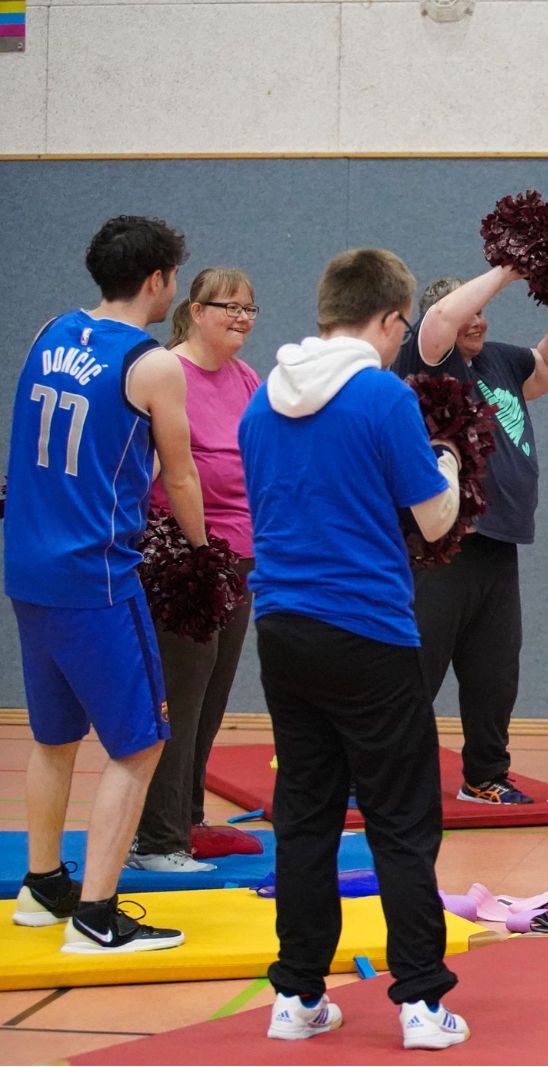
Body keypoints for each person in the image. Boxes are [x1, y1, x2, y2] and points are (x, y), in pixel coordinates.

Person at [239, 248, 469, 1048]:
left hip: (282, 629)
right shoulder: (380, 396)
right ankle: (419, 1002)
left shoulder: (258, 404)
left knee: (305, 813)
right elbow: (435, 518)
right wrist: (449, 463)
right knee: (401, 818)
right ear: (390, 319)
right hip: (367, 630)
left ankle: (297, 997)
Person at [5, 215, 205, 951]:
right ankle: (96, 913)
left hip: (27, 568)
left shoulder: (47, 332)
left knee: (54, 735)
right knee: (140, 743)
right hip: (95, 576)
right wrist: (202, 549)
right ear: (157, 280)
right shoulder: (153, 364)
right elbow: (179, 473)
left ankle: (43, 883)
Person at [392, 267, 548, 805]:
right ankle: (385, 775)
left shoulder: (497, 359)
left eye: (481, 312)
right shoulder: (430, 356)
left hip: (500, 542)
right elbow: (443, 318)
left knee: (495, 672)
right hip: (441, 543)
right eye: (468, 311)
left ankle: (485, 776)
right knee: (417, 668)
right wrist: (510, 270)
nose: (478, 320)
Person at [129, 268, 263, 873]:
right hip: (184, 556)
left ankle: (186, 819)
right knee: (179, 696)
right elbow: (160, 471)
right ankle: (155, 839)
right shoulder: (167, 372)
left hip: (237, 555)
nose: (240, 318)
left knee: (212, 693)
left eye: (249, 309)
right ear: (195, 310)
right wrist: (197, 547)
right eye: (227, 307)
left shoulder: (246, 378)